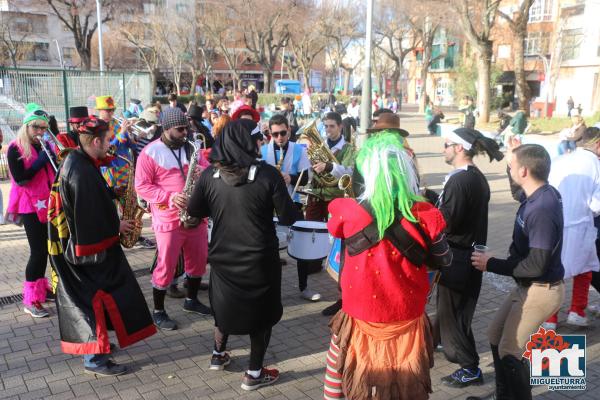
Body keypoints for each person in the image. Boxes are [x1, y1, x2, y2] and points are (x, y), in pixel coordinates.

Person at [323, 132, 452, 400]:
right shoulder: (426, 215)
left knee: (339, 366)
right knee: (406, 381)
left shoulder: (346, 210)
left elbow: (335, 231)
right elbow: (446, 259)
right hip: (407, 315)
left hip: (359, 314)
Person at [187, 119, 301, 390]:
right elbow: (287, 216)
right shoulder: (267, 175)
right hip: (260, 259)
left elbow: (195, 214)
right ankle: (253, 373)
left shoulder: (209, 175)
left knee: (223, 306)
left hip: (223, 257)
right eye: (258, 139)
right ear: (247, 142)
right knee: (261, 315)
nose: (262, 143)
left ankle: (217, 355)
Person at [47, 116, 156, 376]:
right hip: (81, 253)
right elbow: (87, 218)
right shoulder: (80, 170)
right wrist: (116, 228)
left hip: (78, 248)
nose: (111, 144)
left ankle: (100, 346)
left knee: (101, 297)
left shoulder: (80, 161)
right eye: (108, 140)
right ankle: (94, 359)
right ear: (95, 141)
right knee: (89, 301)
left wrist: (112, 192)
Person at [470, 141, 565, 400]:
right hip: (527, 286)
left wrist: (491, 264)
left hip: (542, 289)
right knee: (495, 335)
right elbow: (516, 192)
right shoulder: (534, 192)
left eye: (511, 165)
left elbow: (536, 265)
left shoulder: (543, 209)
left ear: (524, 171)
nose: (508, 168)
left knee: (510, 351)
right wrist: (511, 157)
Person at [435, 127, 504, 388]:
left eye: (446, 144)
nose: (443, 149)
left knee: (453, 314)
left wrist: (429, 212)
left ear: (459, 148)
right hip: (468, 254)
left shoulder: (460, 181)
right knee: (454, 312)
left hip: (458, 257)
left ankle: (469, 367)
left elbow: (447, 223)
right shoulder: (474, 177)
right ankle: (444, 343)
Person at [135, 108, 212, 330]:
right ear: (166, 128)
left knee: (198, 260)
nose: (185, 133)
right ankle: (158, 311)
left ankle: (192, 300)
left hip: (194, 215)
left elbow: (209, 172)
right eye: (180, 129)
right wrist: (169, 197)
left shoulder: (191, 147)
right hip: (168, 217)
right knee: (166, 265)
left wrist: (202, 173)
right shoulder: (150, 152)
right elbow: (141, 186)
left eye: (186, 128)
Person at [544, 127, 600, 329]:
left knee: (554, 271)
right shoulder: (596, 166)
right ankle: (577, 310)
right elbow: (596, 205)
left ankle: (550, 318)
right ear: (598, 144)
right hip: (580, 226)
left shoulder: (561, 159)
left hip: (553, 225)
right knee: (584, 270)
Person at [6, 103, 56, 317]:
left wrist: (53, 158)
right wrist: (38, 164)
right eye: (36, 127)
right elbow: (21, 178)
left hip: (49, 202)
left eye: (43, 128)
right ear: (26, 126)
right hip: (30, 205)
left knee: (47, 249)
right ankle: (30, 300)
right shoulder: (15, 148)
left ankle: (41, 288)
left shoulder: (44, 144)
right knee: (37, 252)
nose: (40, 132)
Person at [304, 112, 356, 316]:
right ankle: (312, 266)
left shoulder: (349, 148)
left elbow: (351, 172)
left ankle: (342, 291)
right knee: (310, 233)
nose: (328, 130)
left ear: (341, 127)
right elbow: (310, 171)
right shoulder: (320, 146)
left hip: (337, 197)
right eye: (325, 126)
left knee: (340, 243)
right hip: (318, 193)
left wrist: (329, 166)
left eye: (332, 126)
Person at [261, 115, 315, 300]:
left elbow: (306, 178)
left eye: (283, 133)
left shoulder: (299, 150)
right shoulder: (262, 151)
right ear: (269, 133)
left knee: (301, 243)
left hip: (293, 202)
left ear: (289, 131)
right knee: (267, 248)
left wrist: (290, 178)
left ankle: (304, 287)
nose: (279, 138)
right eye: (275, 134)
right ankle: (268, 290)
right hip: (268, 205)